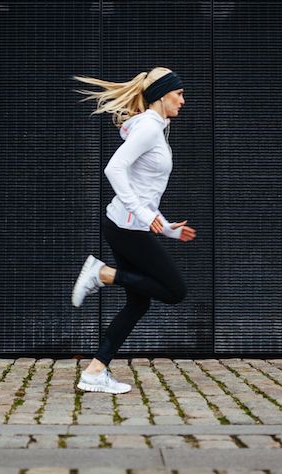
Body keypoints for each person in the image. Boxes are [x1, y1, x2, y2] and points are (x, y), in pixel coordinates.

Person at [69, 67, 196, 394]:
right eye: (179, 94)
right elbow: (114, 168)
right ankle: (103, 274)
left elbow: (144, 188)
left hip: (124, 225)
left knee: (138, 304)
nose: (183, 100)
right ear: (163, 95)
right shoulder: (150, 128)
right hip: (127, 227)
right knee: (175, 291)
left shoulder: (156, 128)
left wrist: (166, 228)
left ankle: (95, 372)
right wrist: (141, 213)